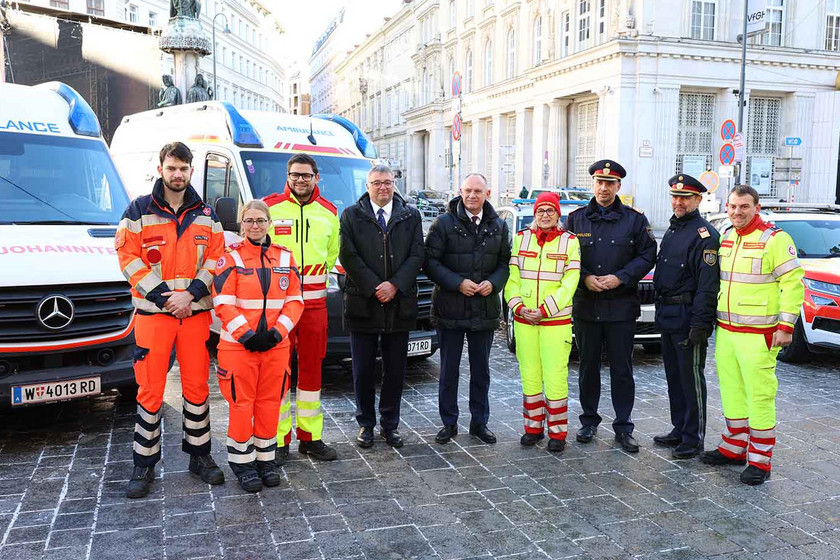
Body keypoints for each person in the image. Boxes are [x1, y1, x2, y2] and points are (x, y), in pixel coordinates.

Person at [116, 142, 225, 498]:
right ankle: (143, 465)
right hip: (155, 315)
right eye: (172, 167)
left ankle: (200, 456)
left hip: (193, 315)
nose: (177, 174)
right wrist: (166, 298)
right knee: (149, 390)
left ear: (191, 171)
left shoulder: (207, 213)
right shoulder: (138, 210)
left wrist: (190, 294)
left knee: (196, 387)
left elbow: (216, 256)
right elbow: (128, 257)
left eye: (183, 168)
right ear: (161, 168)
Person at [700, 185, 804, 485]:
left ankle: (760, 460)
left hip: (759, 334)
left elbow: (793, 283)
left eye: (744, 207)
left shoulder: (775, 239)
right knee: (732, 392)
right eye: (732, 206)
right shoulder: (729, 237)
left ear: (756, 207)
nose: (737, 212)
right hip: (727, 332)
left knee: (759, 396)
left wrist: (786, 326)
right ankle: (734, 447)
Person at [212, 200, 304, 492]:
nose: (255, 226)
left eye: (260, 220)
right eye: (249, 220)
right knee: (242, 405)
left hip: (275, 348)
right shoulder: (230, 259)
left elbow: (295, 301)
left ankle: (266, 460)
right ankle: (242, 463)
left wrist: (277, 334)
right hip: (239, 348)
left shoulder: (286, 258)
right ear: (241, 224)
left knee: (270, 404)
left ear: (269, 223)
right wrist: (247, 336)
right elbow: (223, 303)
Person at [565, 159, 656, 453]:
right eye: (599, 182)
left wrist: (620, 278)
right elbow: (563, 257)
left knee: (622, 368)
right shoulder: (576, 219)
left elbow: (647, 255)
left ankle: (623, 426)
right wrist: (585, 278)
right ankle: (588, 421)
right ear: (593, 184)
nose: (604, 188)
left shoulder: (634, 220)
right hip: (587, 306)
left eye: (610, 183)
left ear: (618, 186)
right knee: (588, 367)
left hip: (620, 307)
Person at [339, 165, 424, 449]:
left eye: (388, 182)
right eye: (377, 183)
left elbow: (416, 254)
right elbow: (348, 256)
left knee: (396, 370)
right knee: (362, 370)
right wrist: (376, 286)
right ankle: (365, 424)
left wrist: (395, 285)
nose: (383, 188)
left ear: (394, 183)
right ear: (368, 185)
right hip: (363, 302)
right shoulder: (352, 215)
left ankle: (390, 424)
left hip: (398, 304)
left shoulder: (410, 215)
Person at [424, 174, 511, 445]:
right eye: (467, 190)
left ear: (488, 192)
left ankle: (479, 422)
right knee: (448, 370)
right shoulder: (443, 223)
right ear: (460, 191)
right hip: (450, 307)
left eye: (478, 191)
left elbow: (505, 264)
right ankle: (448, 424)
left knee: (481, 371)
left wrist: (494, 283)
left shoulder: (499, 225)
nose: (472, 196)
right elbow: (430, 263)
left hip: (483, 308)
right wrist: (458, 283)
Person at [264, 154, 340, 463]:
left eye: (306, 175)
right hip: (279, 307)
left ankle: (310, 438)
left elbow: (332, 254)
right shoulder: (270, 207)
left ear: (316, 177)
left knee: (312, 369)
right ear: (288, 176)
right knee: (278, 371)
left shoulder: (329, 213)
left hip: (315, 305)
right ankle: (280, 438)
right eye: (295, 175)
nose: (300, 180)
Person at [504, 192, 580, 452]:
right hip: (525, 321)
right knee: (530, 375)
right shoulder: (520, 239)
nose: (545, 215)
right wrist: (519, 307)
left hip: (555, 323)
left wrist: (546, 309)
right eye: (541, 211)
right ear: (534, 214)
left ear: (558, 214)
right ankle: (533, 428)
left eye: (550, 211)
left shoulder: (570, 242)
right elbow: (511, 279)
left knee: (556, 376)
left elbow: (570, 282)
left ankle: (557, 432)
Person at [652, 174, 720, 460]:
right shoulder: (673, 229)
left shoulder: (705, 235)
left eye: (685, 198)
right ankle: (679, 428)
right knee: (674, 377)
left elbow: (707, 285)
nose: (678, 202)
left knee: (691, 380)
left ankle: (694, 437)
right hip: (668, 314)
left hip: (687, 317)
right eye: (675, 197)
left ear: (698, 200)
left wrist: (701, 324)